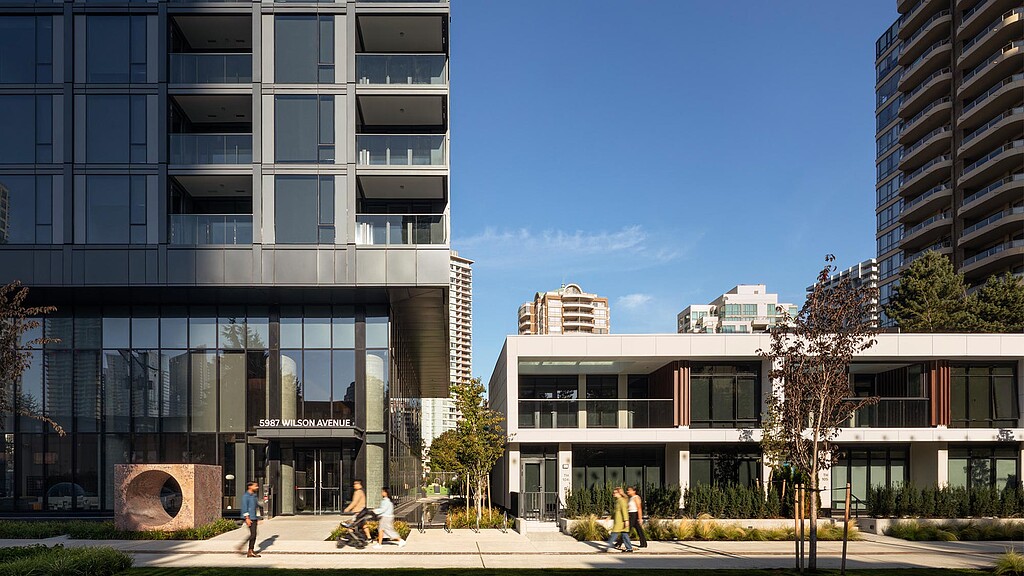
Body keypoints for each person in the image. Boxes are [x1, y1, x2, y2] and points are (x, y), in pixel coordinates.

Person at [604, 487, 633, 553]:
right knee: (624, 535)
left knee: (614, 534)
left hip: (621, 522)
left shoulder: (622, 501)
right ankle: (629, 548)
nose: (613, 494)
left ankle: (607, 548)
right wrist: (610, 517)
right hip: (618, 521)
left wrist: (626, 520)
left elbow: (624, 511)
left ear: (619, 493)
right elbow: (616, 512)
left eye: (615, 492)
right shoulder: (617, 501)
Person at [240, 481, 261, 558]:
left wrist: (258, 517)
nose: (257, 487)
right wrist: (247, 518)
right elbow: (245, 507)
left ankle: (249, 550)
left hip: (254, 517)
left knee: (254, 534)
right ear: (250, 487)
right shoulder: (246, 496)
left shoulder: (254, 496)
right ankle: (248, 550)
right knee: (253, 534)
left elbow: (256, 507)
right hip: (249, 518)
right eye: (255, 486)